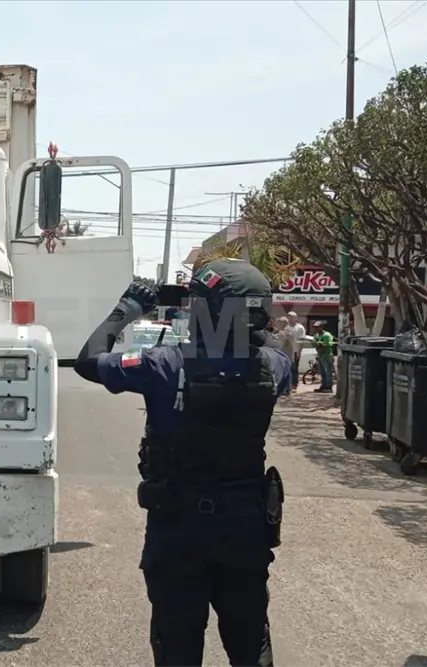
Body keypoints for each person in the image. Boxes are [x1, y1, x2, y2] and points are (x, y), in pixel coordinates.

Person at [73, 259, 292, 666]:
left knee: (177, 648)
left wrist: (128, 309)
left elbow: (89, 360)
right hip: (246, 530)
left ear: (208, 312)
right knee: (251, 646)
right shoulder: (275, 366)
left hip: (179, 530)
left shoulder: (163, 365)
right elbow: (261, 343)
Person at [312, 320, 335, 393]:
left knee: (328, 371)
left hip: (327, 355)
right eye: (315, 327)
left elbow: (325, 346)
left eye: (317, 327)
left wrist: (319, 345)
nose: (315, 329)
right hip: (320, 356)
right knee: (322, 372)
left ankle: (328, 387)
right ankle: (323, 385)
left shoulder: (327, 335)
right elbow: (315, 345)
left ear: (321, 327)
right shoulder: (316, 335)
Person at [286, 312, 306, 392]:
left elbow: (301, 341)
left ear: (296, 318)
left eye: (292, 317)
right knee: (287, 368)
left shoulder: (300, 327)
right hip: (286, 352)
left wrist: (298, 352)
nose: (290, 318)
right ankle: (287, 385)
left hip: (295, 351)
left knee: (294, 369)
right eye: (289, 317)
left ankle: (294, 385)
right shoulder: (286, 327)